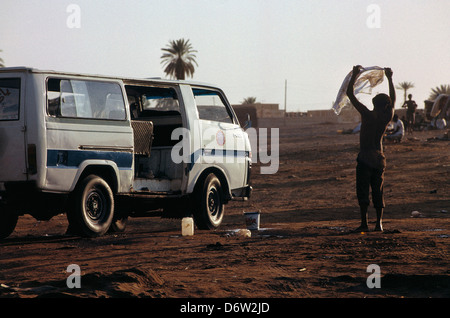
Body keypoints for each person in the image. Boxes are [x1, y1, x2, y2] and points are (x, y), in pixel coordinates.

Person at [346, 65, 395, 232]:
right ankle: (379, 224)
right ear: (386, 106)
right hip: (379, 158)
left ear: (374, 103)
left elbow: (350, 94)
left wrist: (354, 75)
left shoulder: (367, 114)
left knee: (363, 190)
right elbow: (393, 101)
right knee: (378, 190)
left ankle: (364, 223)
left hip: (366, 156)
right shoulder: (386, 117)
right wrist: (389, 78)